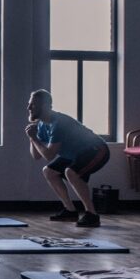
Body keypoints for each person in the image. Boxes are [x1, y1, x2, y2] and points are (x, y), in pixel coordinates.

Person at [25, 89, 110, 227]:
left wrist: (34, 138)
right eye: (29, 104)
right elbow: (36, 156)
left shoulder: (58, 123)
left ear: (45, 106)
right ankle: (70, 211)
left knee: (71, 172)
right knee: (49, 171)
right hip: (75, 154)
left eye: (33, 104)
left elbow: (49, 155)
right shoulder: (41, 125)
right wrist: (32, 138)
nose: (29, 108)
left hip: (97, 150)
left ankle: (92, 214)